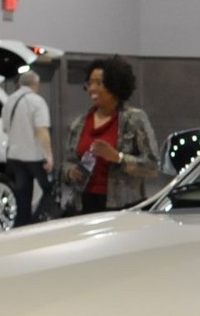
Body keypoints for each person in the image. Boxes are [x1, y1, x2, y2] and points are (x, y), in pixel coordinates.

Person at [64, 56, 160, 214]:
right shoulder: (79, 123)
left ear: (115, 86)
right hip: (84, 205)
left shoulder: (135, 120)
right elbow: (67, 162)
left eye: (99, 83)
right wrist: (70, 172)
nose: (92, 89)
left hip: (123, 207)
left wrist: (118, 158)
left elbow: (152, 166)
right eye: (89, 83)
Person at [3, 65, 53, 224]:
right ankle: (37, 220)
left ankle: (22, 226)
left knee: (23, 197)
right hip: (34, 156)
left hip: (15, 156)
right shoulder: (37, 101)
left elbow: (5, 128)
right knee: (49, 189)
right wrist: (49, 156)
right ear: (36, 84)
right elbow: (42, 130)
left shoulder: (9, 100)